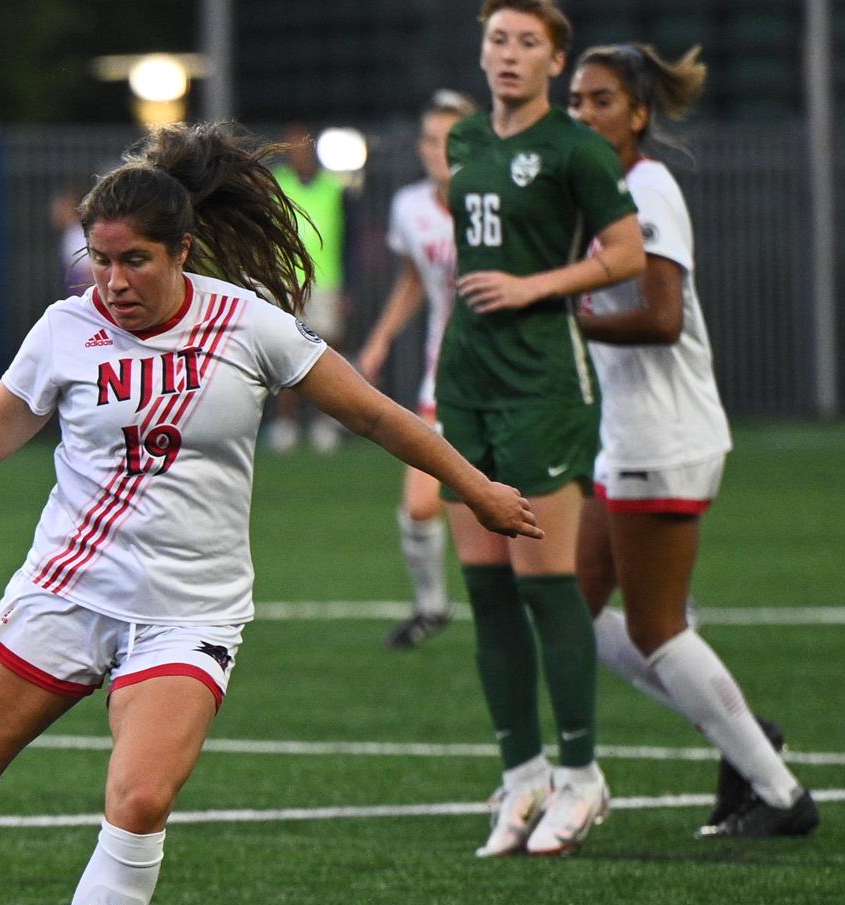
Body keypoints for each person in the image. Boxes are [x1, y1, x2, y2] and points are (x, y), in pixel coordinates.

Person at [0, 123, 540, 905]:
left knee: (139, 799)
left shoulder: (248, 325)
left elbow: (376, 415)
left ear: (182, 251)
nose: (113, 281)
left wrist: (478, 487)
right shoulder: (65, 328)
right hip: (67, 593)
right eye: (100, 261)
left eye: (134, 261)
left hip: (189, 614)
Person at [568, 44, 819, 839]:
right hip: (627, 435)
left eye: (602, 100)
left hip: (664, 435)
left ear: (639, 113)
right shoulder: (601, 195)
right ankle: (746, 740)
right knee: (574, 607)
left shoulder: (647, 188)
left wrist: (565, 315)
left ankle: (780, 793)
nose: (584, 113)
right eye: (576, 100)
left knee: (655, 626)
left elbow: (664, 315)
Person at [438, 0, 647, 857]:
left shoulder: (576, 148)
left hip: (543, 383)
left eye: (529, 42)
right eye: (499, 38)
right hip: (466, 378)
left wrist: (532, 287)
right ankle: (522, 776)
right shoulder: (464, 140)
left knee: (544, 582)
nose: (510, 54)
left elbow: (628, 254)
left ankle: (582, 775)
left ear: (556, 61)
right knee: (485, 586)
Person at [355, 91, 478, 650]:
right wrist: (380, 340)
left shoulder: (501, 202)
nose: (436, 150)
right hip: (446, 375)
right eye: (429, 139)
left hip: (515, 378)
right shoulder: (409, 206)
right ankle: (432, 607)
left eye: (449, 140)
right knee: (420, 504)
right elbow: (414, 280)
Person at [265, 126, 352, 455]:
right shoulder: (278, 185)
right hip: (287, 279)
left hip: (327, 281)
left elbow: (349, 239)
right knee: (287, 351)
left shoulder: (333, 187)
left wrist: (348, 287)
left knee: (328, 354)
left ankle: (324, 423)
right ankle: (286, 423)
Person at [51, 185, 94, 294]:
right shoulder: (70, 233)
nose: (56, 214)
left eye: (61, 209)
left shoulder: (78, 234)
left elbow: (88, 271)